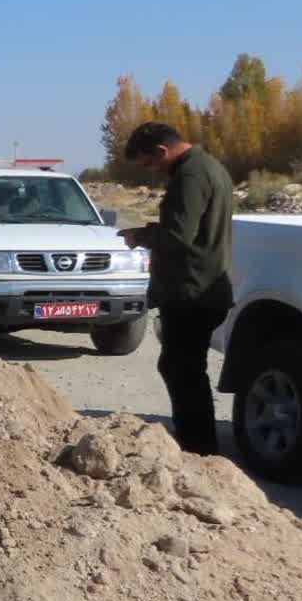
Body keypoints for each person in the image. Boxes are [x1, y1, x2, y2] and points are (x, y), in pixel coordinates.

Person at [116, 122, 236, 456]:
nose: (152, 171)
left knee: (182, 368)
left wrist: (140, 237)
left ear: (161, 151)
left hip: (192, 291)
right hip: (199, 287)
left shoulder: (192, 175)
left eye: (149, 163)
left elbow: (179, 235)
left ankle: (197, 449)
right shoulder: (206, 167)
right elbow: (189, 229)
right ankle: (196, 443)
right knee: (182, 366)